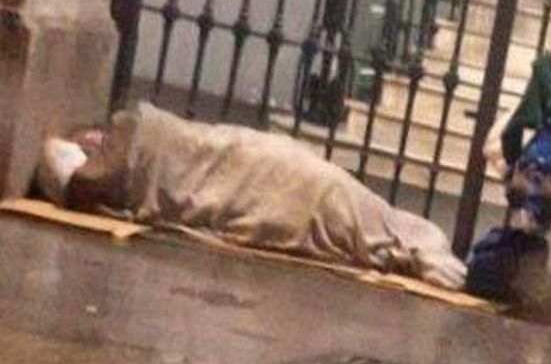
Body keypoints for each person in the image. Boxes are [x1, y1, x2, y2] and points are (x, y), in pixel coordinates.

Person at [36, 103, 466, 290]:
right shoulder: (125, 150)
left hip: (261, 161)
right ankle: (408, 240)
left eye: (89, 139)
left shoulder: (136, 128)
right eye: (87, 145)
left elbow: (69, 170)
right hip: (262, 175)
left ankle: (407, 239)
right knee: (323, 206)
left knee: (328, 194)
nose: (91, 143)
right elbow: (73, 175)